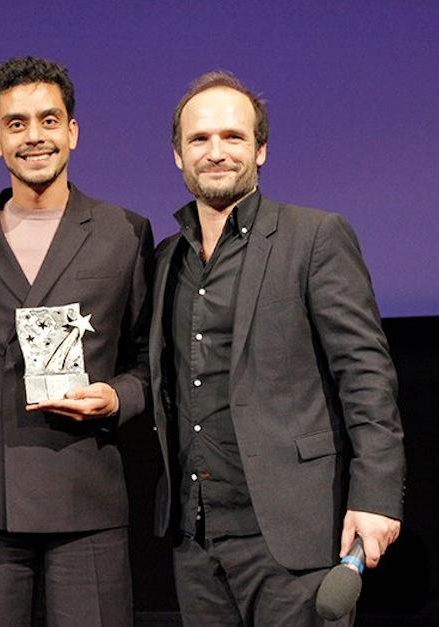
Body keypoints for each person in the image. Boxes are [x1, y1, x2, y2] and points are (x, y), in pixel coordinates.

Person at [149, 70, 406, 625]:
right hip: (196, 542)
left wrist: (377, 496)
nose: (216, 152)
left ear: (261, 149)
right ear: (178, 155)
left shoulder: (314, 237)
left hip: (294, 540)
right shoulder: (166, 257)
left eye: (233, 137)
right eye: (199, 139)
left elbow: (365, 374)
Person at [0, 56, 152, 626]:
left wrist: (116, 398)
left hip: (87, 497)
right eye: (16, 124)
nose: (34, 137)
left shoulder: (123, 233)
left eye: (49, 120)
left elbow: (147, 361)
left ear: (72, 131)